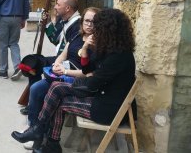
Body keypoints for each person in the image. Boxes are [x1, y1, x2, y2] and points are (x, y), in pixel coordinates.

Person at [11, 8, 137, 153]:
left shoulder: (118, 57)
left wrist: (67, 83)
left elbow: (91, 85)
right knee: (56, 93)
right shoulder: (111, 50)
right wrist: (84, 49)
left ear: (108, 31)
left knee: (57, 91)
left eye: (98, 27)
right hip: (103, 98)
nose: (95, 30)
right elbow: (87, 70)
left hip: (109, 110)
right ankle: (47, 139)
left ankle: (42, 134)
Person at [22, 7, 99, 151]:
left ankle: (41, 134)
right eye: (87, 21)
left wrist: (65, 71)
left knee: (47, 93)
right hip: (62, 75)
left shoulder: (97, 44)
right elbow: (64, 54)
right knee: (35, 87)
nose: (89, 25)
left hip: (76, 81)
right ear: (82, 22)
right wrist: (57, 64)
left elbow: (89, 73)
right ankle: (33, 127)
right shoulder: (76, 35)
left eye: (93, 22)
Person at [20, 0, 81, 114]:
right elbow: (55, 39)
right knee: (29, 63)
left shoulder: (77, 25)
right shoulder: (64, 19)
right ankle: (36, 100)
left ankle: (35, 103)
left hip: (68, 63)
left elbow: (70, 52)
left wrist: (59, 64)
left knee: (33, 64)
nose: (55, 7)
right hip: (59, 58)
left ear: (67, 8)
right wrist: (47, 22)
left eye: (58, 5)